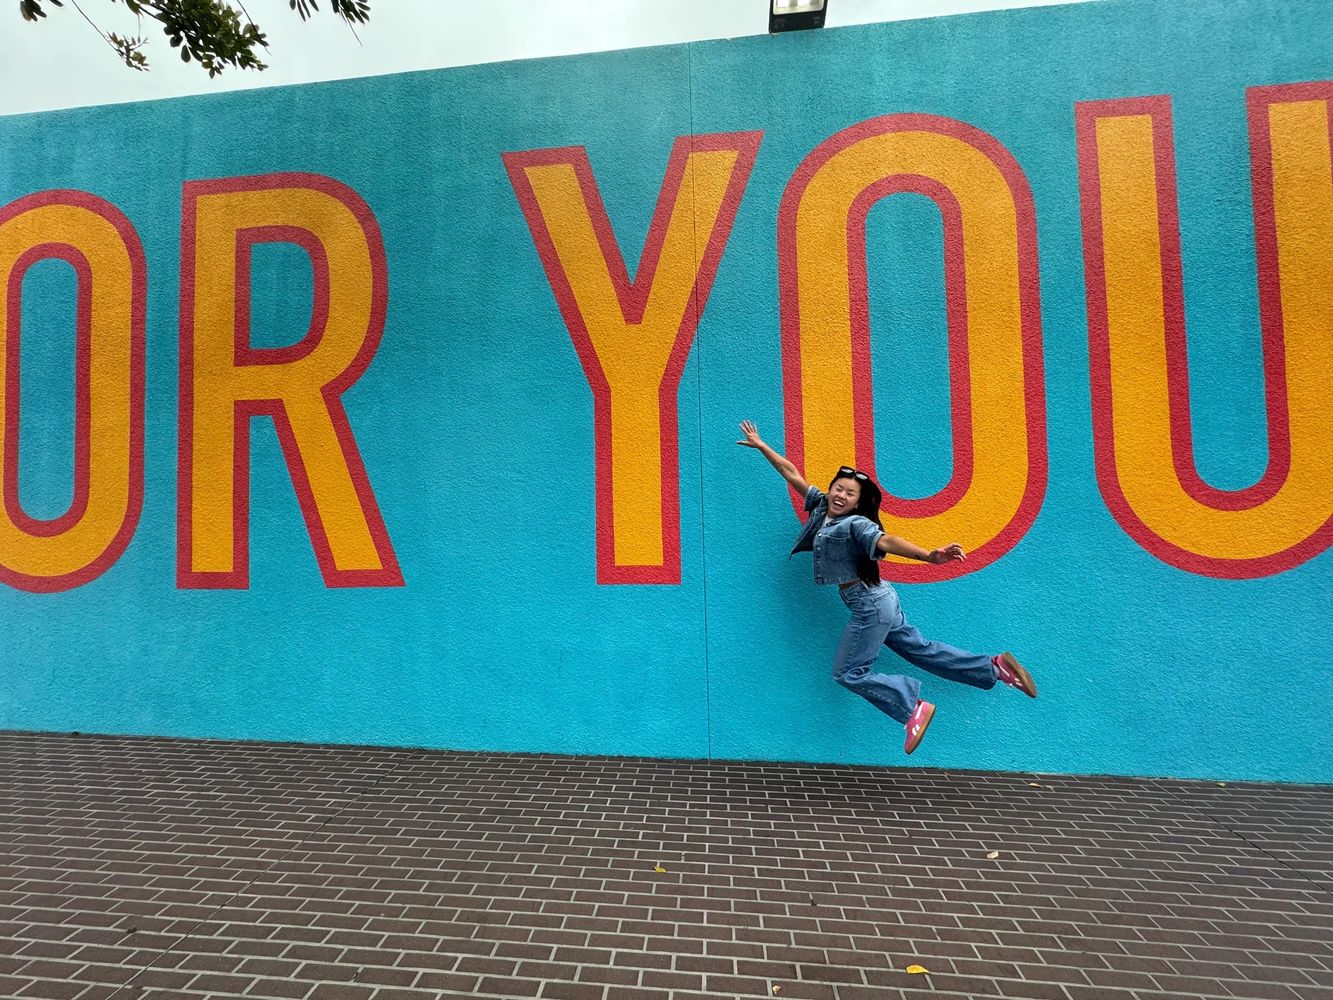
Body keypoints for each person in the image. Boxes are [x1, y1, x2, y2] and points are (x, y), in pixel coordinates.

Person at [737, 420, 1037, 754]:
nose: (841, 495)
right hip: (880, 598)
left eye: (850, 494)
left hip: (869, 603)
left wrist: (929, 556)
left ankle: (911, 707)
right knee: (921, 650)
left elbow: (887, 540)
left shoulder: (855, 524)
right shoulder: (822, 508)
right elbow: (791, 473)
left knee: (848, 673)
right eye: (838, 488)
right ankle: (993, 667)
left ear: (857, 503)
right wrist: (762, 446)